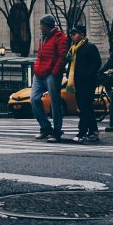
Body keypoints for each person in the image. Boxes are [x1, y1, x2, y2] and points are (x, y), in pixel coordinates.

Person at [30, 14, 69, 142]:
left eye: (41, 25)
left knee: (55, 102)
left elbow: (62, 57)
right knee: (34, 98)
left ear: (48, 26)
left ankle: (57, 132)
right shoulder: (43, 38)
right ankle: (45, 127)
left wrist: (55, 72)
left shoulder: (60, 38)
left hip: (51, 74)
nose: (40, 27)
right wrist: (36, 68)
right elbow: (40, 56)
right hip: (39, 73)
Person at [65, 24, 102, 144]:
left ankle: (82, 132)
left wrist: (87, 74)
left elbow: (97, 63)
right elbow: (70, 65)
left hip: (87, 82)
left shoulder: (89, 47)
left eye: (74, 34)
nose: (72, 36)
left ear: (82, 35)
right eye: (71, 34)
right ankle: (93, 132)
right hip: (77, 83)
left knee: (85, 107)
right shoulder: (73, 48)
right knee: (85, 107)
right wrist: (68, 75)